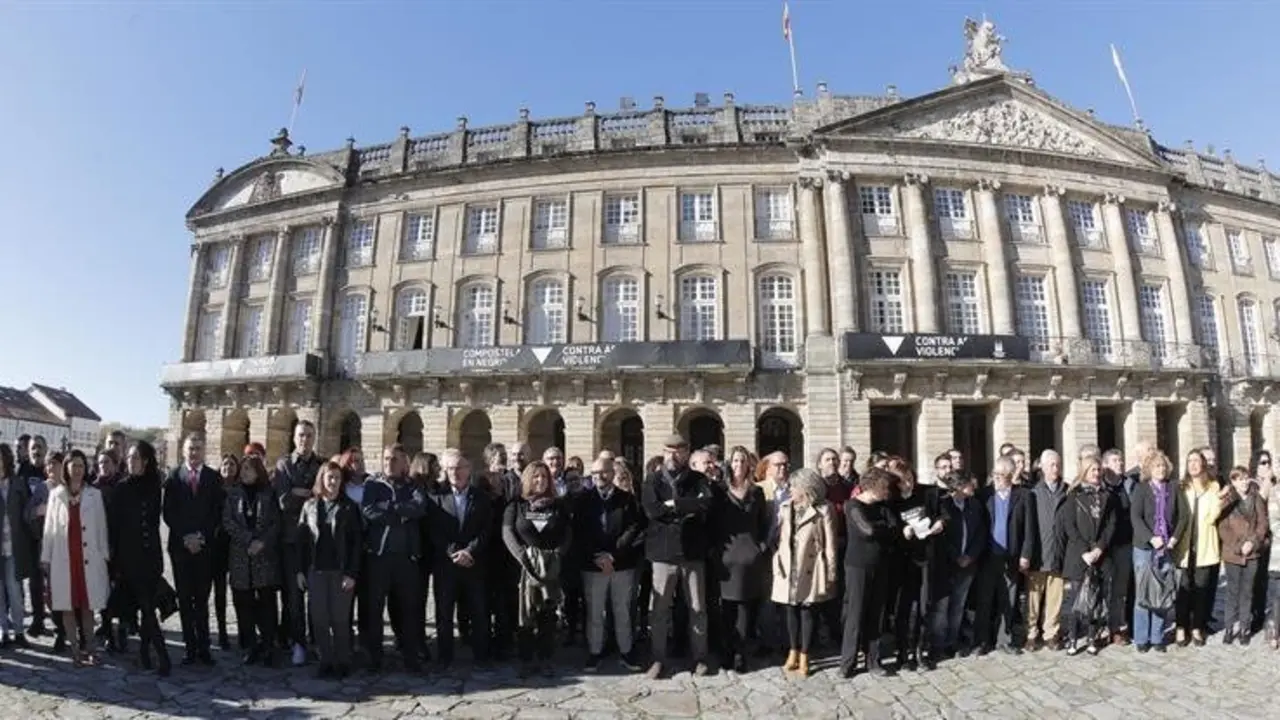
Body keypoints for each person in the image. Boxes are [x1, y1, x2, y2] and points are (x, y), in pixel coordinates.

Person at [640, 434, 714, 679]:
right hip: (662, 554)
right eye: (668, 450)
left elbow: (705, 505)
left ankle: (700, 658)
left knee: (697, 608)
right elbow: (653, 511)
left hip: (692, 553)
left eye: (678, 451)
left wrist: (674, 504)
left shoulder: (698, 479)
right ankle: (658, 658)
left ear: (687, 452)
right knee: (659, 610)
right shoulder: (652, 481)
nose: (673, 455)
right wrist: (684, 508)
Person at [503, 460, 573, 678]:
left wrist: (557, 555)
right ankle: (525, 659)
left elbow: (567, 533)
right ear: (528, 479)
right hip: (524, 569)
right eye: (536, 476)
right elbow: (508, 533)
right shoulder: (516, 505)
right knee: (525, 615)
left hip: (551, 569)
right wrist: (523, 556)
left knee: (547, 615)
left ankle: (545, 658)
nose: (541, 480)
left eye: (544, 476)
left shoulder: (558, 505)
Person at [361, 444, 428, 671]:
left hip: (406, 557)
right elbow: (369, 510)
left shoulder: (413, 485)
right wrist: (400, 512)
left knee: (408, 609)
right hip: (378, 557)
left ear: (405, 463)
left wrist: (389, 507)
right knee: (374, 609)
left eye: (395, 459)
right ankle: (374, 657)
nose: (389, 463)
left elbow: (419, 507)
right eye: (387, 458)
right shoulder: (372, 485)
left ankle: (410, 656)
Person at [41, 450, 111, 667]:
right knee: (67, 605)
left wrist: (104, 555)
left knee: (87, 606)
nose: (78, 470)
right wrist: (46, 557)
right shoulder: (56, 495)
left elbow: (101, 527)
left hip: (87, 557)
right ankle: (74, 650)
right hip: (64, 557)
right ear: (67, 468)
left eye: (81, 465)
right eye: (74, 465)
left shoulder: (94, 495)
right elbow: (49, 528)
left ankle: (90, 647)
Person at [426, 448, 493, 671]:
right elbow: (434, 531)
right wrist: (454, 551)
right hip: (447, 565)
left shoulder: (481, 497)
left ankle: (481, 655)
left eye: (459, 468)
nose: (455, 472)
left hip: (474, 564)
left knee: (478, 611)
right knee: (444, 612)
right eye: (451, 468)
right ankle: (445, 656)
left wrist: (470, 551)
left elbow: (486, 529)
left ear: (468, 470)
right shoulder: (436, 497)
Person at [297, 461, 363, 678]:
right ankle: (325, 660)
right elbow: (303, 542)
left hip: (340, 571)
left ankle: (343, 661)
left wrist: (351, 573)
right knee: (319, 619)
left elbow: (356, 543)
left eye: (337, 478)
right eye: (329, 477)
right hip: (316, 571)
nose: (333, 482)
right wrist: (300, 570)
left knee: (341, 619)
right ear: (322, 480)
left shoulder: (349, 507)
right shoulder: (309, 507)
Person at [110, 441, 170, 675]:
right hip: (129, 557)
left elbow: (154, 522)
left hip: (151, 556)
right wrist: (115, 561)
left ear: (145, 461)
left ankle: (145, 650)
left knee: (150, 606)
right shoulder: (121, 489)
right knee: (144, 605)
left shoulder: (154, 485)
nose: (131, 461)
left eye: (136, 458)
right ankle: (162, 655)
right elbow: (114, 527)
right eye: (129, 457)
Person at [163, 434, 224, 666]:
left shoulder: (212, 477)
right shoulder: (173, 477)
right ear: (183, 451)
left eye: (198, 448)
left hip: (204, 548)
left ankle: (204, 648)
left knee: (202, 599)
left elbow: (216, 512)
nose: (194, 453)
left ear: (204, 450)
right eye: (190, 448)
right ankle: (190, 648)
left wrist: (201, 537)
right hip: (180, 548)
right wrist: (186, 537)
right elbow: (168, 512)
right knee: (185, 600)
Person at [771, 468, 838, 678]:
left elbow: (831, 544)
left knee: (808, 611)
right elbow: (777, 536)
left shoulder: (824, 509)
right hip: (788, 565)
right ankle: (792, 650)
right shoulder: (785, 507)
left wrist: (831, 572)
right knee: (790, 609)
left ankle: (805, 653)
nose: (790, 490)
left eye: (794, 486)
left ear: (806, 488)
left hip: (811, 567)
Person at [709, 446, 768, 674]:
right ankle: (726, 652)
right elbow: (712, 523)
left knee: (745, 608)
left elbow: (763, 523)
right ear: (729, 464)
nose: (739, 465)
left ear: (749, 465)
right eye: (735, 461)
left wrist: (760, 547)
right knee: (727, 608)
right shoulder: (719, 490)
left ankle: (741, 654)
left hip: (749, 556)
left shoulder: (757, 492)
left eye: (743, 461)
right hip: (726, 557)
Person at [839, 467, 899, 677]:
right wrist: (883, 528)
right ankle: (848, 661)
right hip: (858, 565)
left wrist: (883, 528)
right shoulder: (853, 506)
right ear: (875, 487)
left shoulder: (883, 507)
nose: (889, 492)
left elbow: (895, 529)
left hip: (880, 564)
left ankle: (873, 659)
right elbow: (867, 530)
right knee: (856, 613)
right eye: (886, 488)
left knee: (877, 613)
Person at [223, 454, 281, 666]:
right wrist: (248, 539)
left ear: (258, 471)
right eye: (243, 468)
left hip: (263, 557)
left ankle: (268, 644)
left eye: (249, 468)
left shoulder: (268, 494)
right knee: (243, 603)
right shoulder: (233, 494)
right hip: (241, 555)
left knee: (266, 603)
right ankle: (250, 645)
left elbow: (275, 523)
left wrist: (261, 542)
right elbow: (228, 521)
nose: (245, 472)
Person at [973, 456, 1033, 655]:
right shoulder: (984, 495)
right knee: (985, 599)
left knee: (1009, 599)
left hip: (1012, 556)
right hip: (988, 555)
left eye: (1001, 475)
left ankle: (1004, 640)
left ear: (1010, 475)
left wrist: (1025, 554)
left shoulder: (1023, 495)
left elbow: (1029, 529)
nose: (997, 478)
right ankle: (982, 640)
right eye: (995, 474)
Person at [1129, 450, 1187, 653]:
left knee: (1162, 594)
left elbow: (1183, 517)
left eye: (1163, 466)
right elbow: (1135, 517)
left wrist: (1173, 538)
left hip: (1167, 548)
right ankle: (1141, 638)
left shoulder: (1173, 488)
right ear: (1149, 469)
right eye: (1156, 466)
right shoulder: (1141, 489)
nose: (1160, 470)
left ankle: (1157, 637)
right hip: (1145, 548)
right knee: (1144, 593)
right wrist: (1150, 538)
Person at [888, 458, 943, 670]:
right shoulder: (892, 502)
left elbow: (942, 514)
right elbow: (889, 526)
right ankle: (903, 652)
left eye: (910, 479)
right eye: (902, 482)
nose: (908, 485)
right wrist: (901, 531)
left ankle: (921, 649)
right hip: (903, 561)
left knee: (924, 605)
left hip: (925, 558)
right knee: (904, 608)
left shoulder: (927, 494)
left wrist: (940, 523)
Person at [1058, 457, 1116, 656]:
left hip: (1100, 554)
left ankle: (1092, 637)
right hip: (1079, 555)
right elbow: (1069, 525)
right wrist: (1085, 551)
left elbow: (1111, 525)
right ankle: (1073, 638)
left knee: (1096, 599)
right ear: (1084, 471)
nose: (1097, 473)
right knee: (1076, 600)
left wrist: (1099, 548)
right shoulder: (1074, 495)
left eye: (1099, 470)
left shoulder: (1107, 496)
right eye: (1092, 470)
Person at [1174, 449, 1222, 647]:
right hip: (1185, 545)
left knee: (1202, 590)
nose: (1193, 464)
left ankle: (1197, 627)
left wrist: (1218, 501)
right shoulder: (1181, 487)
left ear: (1203, 464)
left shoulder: (1213, 486)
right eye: (1189, 461)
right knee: (1183, 589)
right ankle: (1180, 627)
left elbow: (1212, 517)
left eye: (1196, 460)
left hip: (1204, 545)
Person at [932, 471, 983, 658]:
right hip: (947, 564)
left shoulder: (975, 505)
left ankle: (951, 642)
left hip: (968, 564)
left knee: (958, 605)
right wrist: (956, 556)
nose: (974, 486)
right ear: (960, 486)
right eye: (970, 483)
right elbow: (942, 538)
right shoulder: (944, 505)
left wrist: (970, 555)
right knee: (941, 606)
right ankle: (937, 644)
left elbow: (980, 532)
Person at [1217, 466, 1268, 646]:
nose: (1243, 482)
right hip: (1232, 553)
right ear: (1233, 482)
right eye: (1239, 479)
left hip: (1252, 553)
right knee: (1232, 591)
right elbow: (1223, 527)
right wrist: (1239, 546)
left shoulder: (1256, 499)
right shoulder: (1228, 500)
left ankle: (1245, 627)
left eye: (1246, 478)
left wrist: (1252, 543)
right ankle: (1229, 627)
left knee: (1247, 592)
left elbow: (1263, 524)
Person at [1027, 449, 1068, 651]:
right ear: (1041, 467)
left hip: (1059, 552)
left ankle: (1051, 632)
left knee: (1056, 597)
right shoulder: (1033, 493)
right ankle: (1031, 633)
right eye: (1051, 465)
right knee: (1033, 597)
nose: (1056, 468)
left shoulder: (1067, 491)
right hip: (1039, 552)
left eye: (1058, 464)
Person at [0, 444, 30, 649]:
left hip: (14, 545)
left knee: (14, 589)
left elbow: (27, 512)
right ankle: (3, 631)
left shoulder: (18, 483)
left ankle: (19, 631)